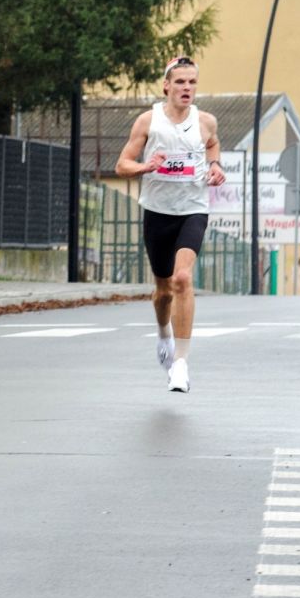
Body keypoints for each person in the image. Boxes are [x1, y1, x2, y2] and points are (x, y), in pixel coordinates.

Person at [115, 56, 225, 393]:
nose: (187, 88)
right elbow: (121, 165)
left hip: (193, 209)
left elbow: (212, 145)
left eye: (192, 82)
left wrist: (216, 165)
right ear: (166, 86)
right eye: (180, 82)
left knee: (181, 278)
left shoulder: (205, 121)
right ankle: (163, 333)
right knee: (163, 291)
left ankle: (180, 363)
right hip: (158, 213)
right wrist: (146, 167)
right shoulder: (148, 121)